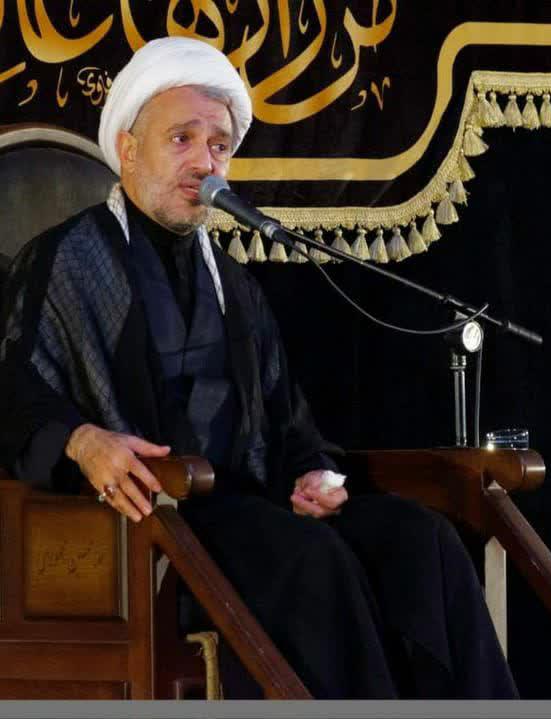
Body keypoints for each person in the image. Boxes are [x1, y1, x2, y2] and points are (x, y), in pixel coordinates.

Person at [0, 37, 518, 699]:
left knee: (422, 541)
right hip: (148, 531)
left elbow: (288, 421)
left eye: (218, 145)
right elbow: (13, 392)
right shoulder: (65, 260)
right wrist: (81, 440)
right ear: (127, 149)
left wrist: (315, 473)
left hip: (255, 514)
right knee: (310, 560)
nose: (204, 162)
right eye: (181, 139)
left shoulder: (234, 285)